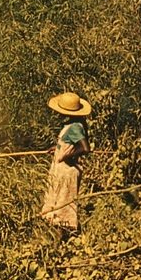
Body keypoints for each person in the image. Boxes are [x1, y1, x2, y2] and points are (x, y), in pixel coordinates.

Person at [40, 91, 92, 237]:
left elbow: (85, 148)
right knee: (57, 201)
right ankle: (61, 238)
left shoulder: (75, 127)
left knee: (63, 205)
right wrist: (56, 148)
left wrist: (66, 155)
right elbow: (70, 143)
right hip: (62, 170)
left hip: (67, 170)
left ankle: (63, 239)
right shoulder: (74, 124)